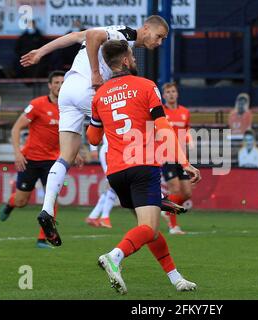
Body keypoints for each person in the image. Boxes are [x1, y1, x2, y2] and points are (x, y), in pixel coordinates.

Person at [19, 16, 171, 245]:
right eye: (159, 36)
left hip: (68, 91)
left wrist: (41, 52)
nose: (159, 42)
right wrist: (95, 73)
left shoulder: (116, 35)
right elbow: (92, 36)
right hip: (87, 89)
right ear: (146, 28)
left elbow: (73, 37)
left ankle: (47, 209)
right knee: (124, 129)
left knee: (66, 156)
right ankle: (150, 195)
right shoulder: (126, 34)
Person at [87, 40, 201, 294]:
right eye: (133, 56)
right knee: (148, 228)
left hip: (116, 172)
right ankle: (114, 257)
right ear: (126, 60)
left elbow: (93, 139)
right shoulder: (146, 86)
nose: (135, 59)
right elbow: (163, 128)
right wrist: (184, 162)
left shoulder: (100, 95)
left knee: (148, 230)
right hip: (142, 166)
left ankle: (175, 278)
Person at [0, 71, 76, 249]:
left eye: (63, 82)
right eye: (56, 82)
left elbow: (71, 134)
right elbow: (16, 128)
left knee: (52, 198)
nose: (60, 85)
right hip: (30, 160)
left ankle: (43, 239)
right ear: (49, 85)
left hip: (52, 161)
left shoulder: (68, 107)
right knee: (21, 201)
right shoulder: (37, 105)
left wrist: (75, 151)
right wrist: (18, 153)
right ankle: (11, 204)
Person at [160, 82, 193, 235]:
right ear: (164, 95)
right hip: (166, 155)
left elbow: (186, 133)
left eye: (173, 91)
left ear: (177, 93)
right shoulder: (160, 112)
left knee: (186, 193)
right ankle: (173, 227)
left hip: (181, 157)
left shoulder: (185, 112)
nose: (171, 94)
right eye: (168, 92)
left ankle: (167, 210)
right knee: (175, 189)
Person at [85, 135, 116, 228]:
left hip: (115, 150)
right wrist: (93, 148)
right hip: (109, 150)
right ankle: (104, 217)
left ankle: (94, 216)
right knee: (114, 183)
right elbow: (95, 126)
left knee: (114, 184)